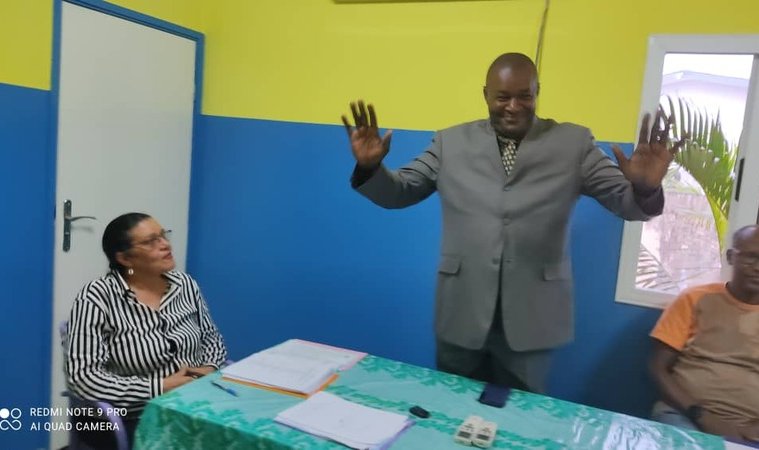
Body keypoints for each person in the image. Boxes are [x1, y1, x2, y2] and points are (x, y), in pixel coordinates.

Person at [341, 52, 683, 393]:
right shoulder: (449, 143)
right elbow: (399, 192)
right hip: (462, 311)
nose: (513, 106)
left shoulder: (574, 144)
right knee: (451, 404)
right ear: (486, 95)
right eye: (502, 97)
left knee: (521, 413)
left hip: (532, 318)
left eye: (524, 96)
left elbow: (628, 204)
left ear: (537, 92)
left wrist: (645, 187)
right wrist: (371, 168)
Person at [66, 212, 228, 448]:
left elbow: (211, 338)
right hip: (136, 415)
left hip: (194, 405)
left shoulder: (185, 285)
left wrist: (208, 368)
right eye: (151, 241)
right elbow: (83, 378)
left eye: (163, 235)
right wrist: (161, 386)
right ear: (125, 258)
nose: (165, 244)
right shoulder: (96, 297)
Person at [649, 225, 759, 443]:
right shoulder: (694, 299)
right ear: (731, 257)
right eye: (751, 257)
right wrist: (702, 415)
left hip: (750, 426)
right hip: (685, 414)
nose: (758, 267)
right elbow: (657, 368)